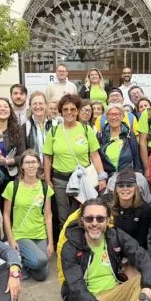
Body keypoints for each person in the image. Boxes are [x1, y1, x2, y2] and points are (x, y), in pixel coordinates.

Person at [43, 94, 107, 226]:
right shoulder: (53, 131)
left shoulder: (86, 129)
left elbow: (95, 155)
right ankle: (66, 244)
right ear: (61, 111)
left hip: (83, 180)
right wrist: (48, 180)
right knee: (64, 216)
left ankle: (84, 243)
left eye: (73, 109)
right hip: (60, 181)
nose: (69, 112)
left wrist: (101, 177)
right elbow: (47, 158)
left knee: (84, 214)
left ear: (78, 111)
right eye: (65, 109)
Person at [2, 150, 54, 281]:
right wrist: (11, 240)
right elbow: (6, 215)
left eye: (34, 162)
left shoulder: (45, 187)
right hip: (21, 234)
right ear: (22, 166)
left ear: (38, 165)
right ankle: (19, 260)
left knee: (42, 276)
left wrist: (51, 243)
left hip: (40, 234)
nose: (31, 165)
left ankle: (20, 263)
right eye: (27, 162)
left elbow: (48, 216)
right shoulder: (12, 186)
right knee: (41, 260)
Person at [109, 170, 151, 250]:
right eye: (121, 186)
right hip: (112, 251)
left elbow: (141, 240)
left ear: (135, 188)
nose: (125, 189)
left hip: (136, 252)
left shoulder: (144, 209)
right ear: (116, 189)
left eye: (129, 185)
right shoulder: (109, 206)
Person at [98, 103, 141, 175]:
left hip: (127, 177)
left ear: (122, 116)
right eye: (110, 114)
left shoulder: (129, 135)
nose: (113, 117)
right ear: (106, 117)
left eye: (117, 114)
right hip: (107, 178)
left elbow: (136, 157)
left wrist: (138, 173)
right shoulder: (100, 136)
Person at [23, 91, 53, 160]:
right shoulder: (25, 127)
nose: (38, 106)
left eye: (41, 103)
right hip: (33, 168)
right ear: (30, 106)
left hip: (53, 169)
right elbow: (23, 153)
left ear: (46, 105)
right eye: (34, 104)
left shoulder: (54, 125)